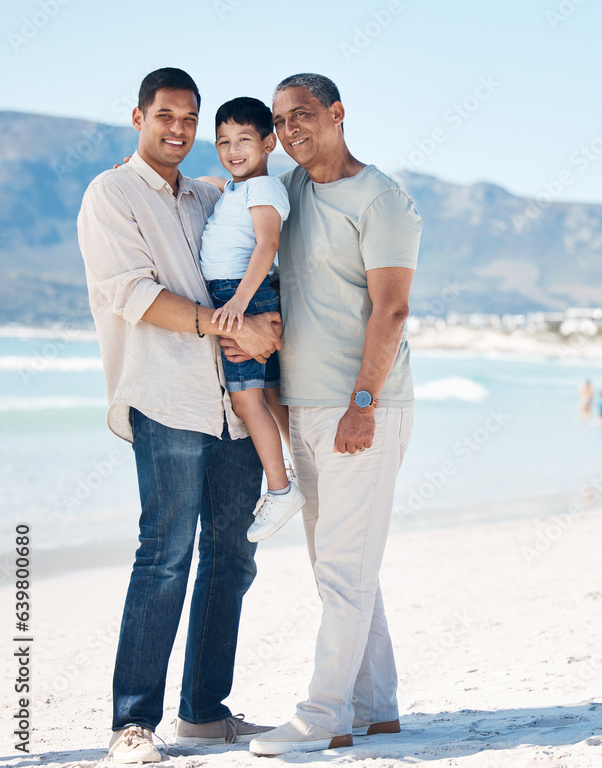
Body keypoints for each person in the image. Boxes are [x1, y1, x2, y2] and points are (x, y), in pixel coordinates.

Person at [77, 67, 279, 763]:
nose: (179, 130)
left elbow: (261, 206)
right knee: (164, 556)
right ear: (138, 118)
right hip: (165, 397)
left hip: (230, 403)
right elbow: (132, 293)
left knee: (233, 555)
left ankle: (203, 712)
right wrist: (237, 326)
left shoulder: (204, 194)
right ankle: (133, 723)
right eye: (165, 116)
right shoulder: (110, 192)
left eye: (189, 119)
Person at [237, 73, 421, 755]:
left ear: (338, 114)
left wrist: (363, 404)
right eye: (281, 122)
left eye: (303, 116)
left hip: (361, 411)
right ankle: (376, 704)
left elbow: (392, 309)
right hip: (304, 408)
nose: (290, 131)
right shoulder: (288, 190)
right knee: (340, 568)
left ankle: (323, 718)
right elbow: (232, 200)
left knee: (343, 570)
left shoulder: (382, 200)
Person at [197, 96, 305, 542]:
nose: (232, 149)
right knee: (271, 390)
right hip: (242, 294)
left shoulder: (262, 189)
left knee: (246, 401)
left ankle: (280, 490)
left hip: (241, 294)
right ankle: (297, 463)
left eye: (244, 140)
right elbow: (212, 182)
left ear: (269, 142)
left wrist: (239, 303)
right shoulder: (238, 187)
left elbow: (266, 245)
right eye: (223, 141)